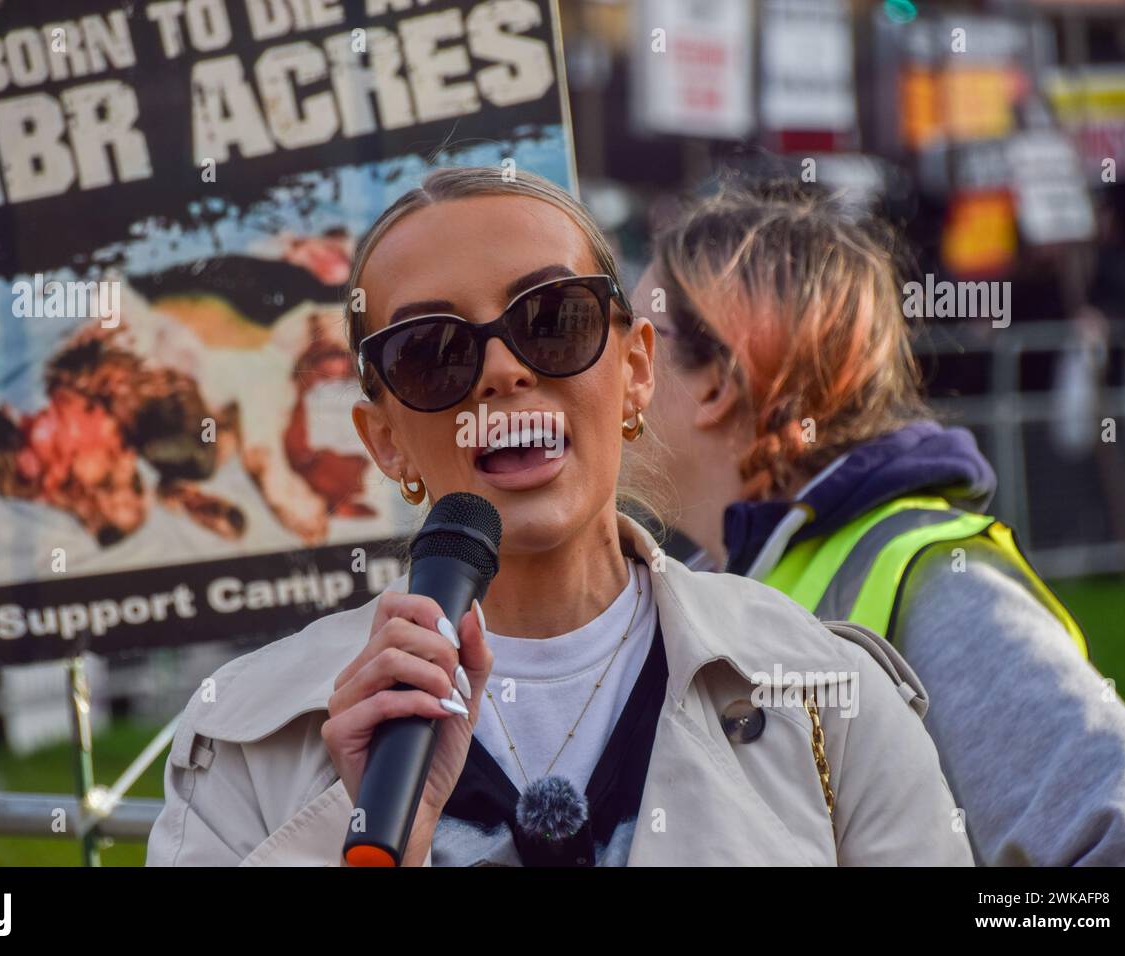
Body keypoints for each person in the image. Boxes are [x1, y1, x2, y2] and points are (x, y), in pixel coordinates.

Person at [146, 168, 973, 867]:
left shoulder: (830, 699)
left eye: (552, 319)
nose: (502, 370)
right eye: (433, 351)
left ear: (638, 370)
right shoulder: (247, 741)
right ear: (385, 439)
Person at [634, 178, 1125, 866]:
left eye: (634, 337)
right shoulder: (696, 582)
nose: (606, 372)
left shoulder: (934, 580)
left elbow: (1121, 844)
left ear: (717, 384)